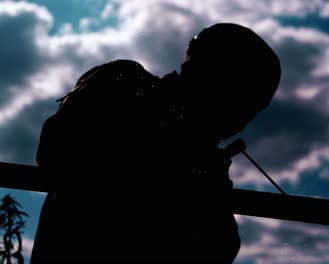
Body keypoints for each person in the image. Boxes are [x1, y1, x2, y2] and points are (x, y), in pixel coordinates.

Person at [30, 23, 281, 263]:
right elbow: (56, 150)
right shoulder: (124, 83)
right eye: (239, 101)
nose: (240, 119)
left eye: (252, 109)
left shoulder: (207, 167)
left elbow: (219, 248)